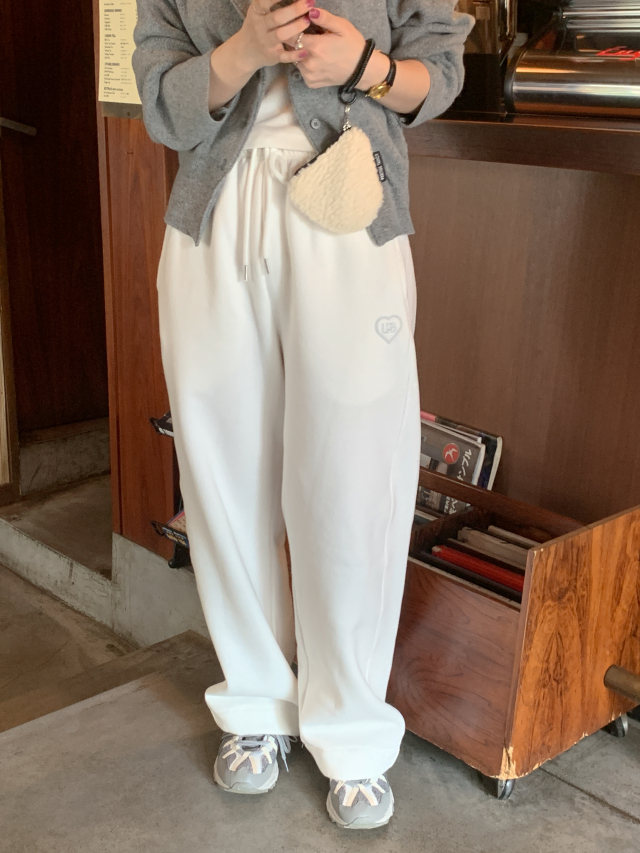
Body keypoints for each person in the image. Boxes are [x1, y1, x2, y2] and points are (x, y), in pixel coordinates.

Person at [133, 0, 473, 830]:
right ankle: (255, 700)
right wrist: (243, 52)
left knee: (354, 476)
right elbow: (161, 103)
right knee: (223, 472)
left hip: (348, 202)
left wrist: (365, 68)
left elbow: (441, 72)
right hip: (215, 215)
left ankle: (352, 727)